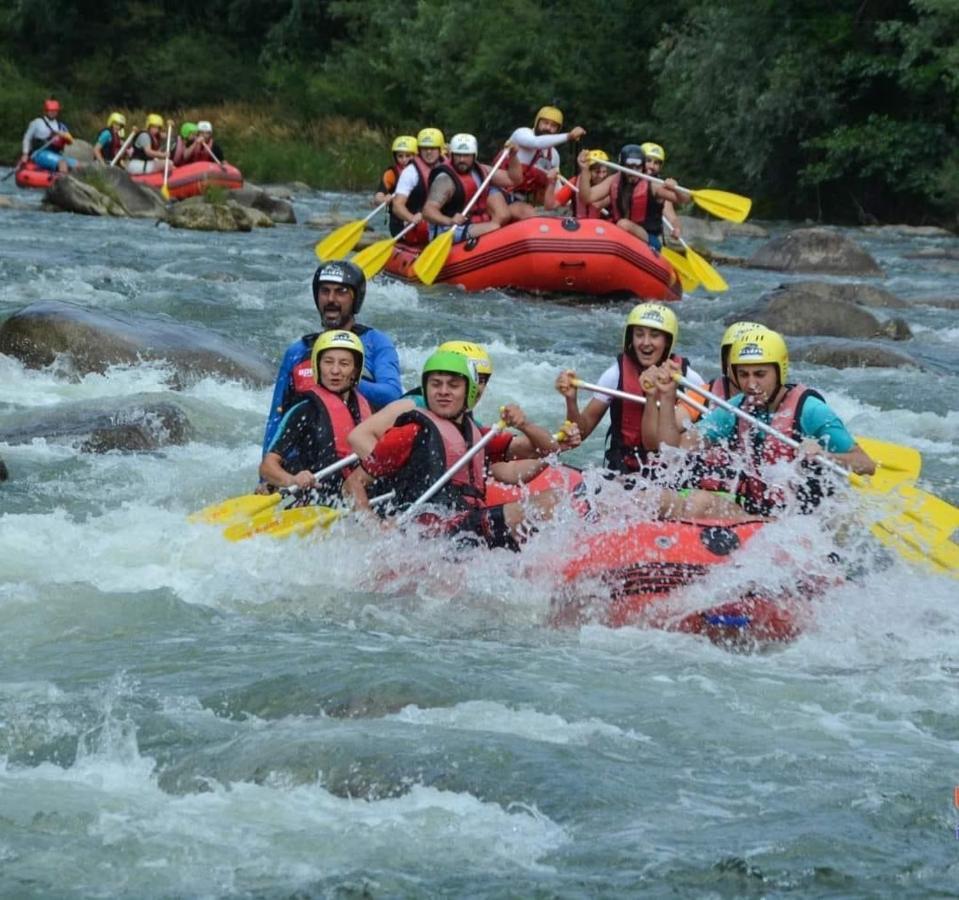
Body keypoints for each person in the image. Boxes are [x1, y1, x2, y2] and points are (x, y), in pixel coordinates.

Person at [643, 328, 876, 516]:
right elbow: (674, 449)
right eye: (744, 375)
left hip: (800, 519)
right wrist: (664, 395)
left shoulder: (811, 410)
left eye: (760, 374)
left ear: (779, 372)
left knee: (698, 503)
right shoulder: (735, 408)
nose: (751, 384)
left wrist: (825, 456)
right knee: (659, 499)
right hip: (755, 514)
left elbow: (866, 464)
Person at [344, 350, 562, 549]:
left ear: (469, 390)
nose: (443, 392)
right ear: (425, 389)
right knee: (545, 503)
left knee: (555, 499)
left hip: (467, 524)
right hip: (430, 531)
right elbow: (353, 483)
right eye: (436, 384)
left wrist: (524, 425)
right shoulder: (410, 432)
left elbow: (548, 450)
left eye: (453, 385)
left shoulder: (476, 435)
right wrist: (373, 526)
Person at [262, 260, 402, 453]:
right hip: (305, 464)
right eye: (325, 291)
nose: (331, 299)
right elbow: (276, 417)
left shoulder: (376, 342)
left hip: (356, 456)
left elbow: (392, 395)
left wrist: (347, 381)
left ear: (356, 299)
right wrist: (267, 476)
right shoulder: (298, 350)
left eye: (341, 292)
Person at [555, 302, 707, 476]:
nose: (645, 343)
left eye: (655, 336)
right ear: (630, 338)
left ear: (667, 342)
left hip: (672, 475)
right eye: (639, 335)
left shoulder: (690, 379)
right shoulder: (615, 374)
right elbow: (579, 434)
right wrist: (571, 400)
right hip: (623, 472)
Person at [259, 330, 372, 503]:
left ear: (355, 371)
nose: (335, 370)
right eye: (328, 362)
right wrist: (292, 480)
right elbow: (267, 467)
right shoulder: (304, 410)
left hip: (353, 500)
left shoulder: (367, 408)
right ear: (317, 366)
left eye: (344, 363)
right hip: (313, 501)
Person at [577, 145, 684, 248]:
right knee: (616, 224)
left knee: (623, 224)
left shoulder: (654, 186)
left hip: (648, 239)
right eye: (630, 167)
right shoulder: (614, 181)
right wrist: (585, 170)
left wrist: (676, 188)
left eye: (637, 167)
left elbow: (683, 199)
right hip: (620, 235)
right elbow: (587, 198)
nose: (633, 171)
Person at [422, 133, 519, 243]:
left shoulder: (481, 170)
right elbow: (427, 211)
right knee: (493, 227)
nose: (462, 159)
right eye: (458, 155)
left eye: (466, 155)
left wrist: (513, 156)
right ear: (451, 155)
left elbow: (513, 180)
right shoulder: (444, 180)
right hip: (446, 229)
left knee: (501, 220)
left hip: (468, 223)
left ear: (474, 156)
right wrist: (449, 221)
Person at [505, 106, 587, 217]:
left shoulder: (553, 155)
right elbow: (536, 142)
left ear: (557, 130)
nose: (548, 128)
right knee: (530, 214)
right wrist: (569, 136)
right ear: (537, 122)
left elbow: (555, 184)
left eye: (553, 126)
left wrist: (569, 203)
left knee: (546, 214)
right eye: (545, 123)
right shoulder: (521, 134)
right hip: (502, 194)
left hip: (522, 201)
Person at [390, 127, 447, 245]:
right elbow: (397, 205)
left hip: (444, 222)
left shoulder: (450, 167)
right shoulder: (410, 172)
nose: (428, 152)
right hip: (419, 226)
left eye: (432, 148)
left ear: (440, 149)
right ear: (419, 150)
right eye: (424, 148)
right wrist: (411, 218)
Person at [640, 142, 690, 245]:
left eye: (656, 163)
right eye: (648, 160)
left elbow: (673, 217)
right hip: (626, 233)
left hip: (648, 237)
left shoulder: (660, 188)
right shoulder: (627, 179)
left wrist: (677, 228)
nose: (652, 166)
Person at [707, 321, 766, 402]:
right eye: (738, 355)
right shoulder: (702, 395)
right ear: (725, 362)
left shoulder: (783, 400)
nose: (747, 364)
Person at [545, 149, 609, 219]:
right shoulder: (574, 183)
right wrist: (552, 182)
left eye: (604, 172)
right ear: (588, 171)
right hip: (580, 226)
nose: (601, 176)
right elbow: (550, 206)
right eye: (597, 172)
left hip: (604, 226)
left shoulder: (610, 184)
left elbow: (598, 205)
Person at [20, 98, 75, 174]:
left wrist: (64, 135)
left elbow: (70, 141)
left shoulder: (61, 126)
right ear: (45, 111)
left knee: (78, 165)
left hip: (56, 154)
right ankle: (63, 182)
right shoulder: (37, 122)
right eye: (51, 110)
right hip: (40, 153)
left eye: (55, 111)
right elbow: (27, 138)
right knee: (62, 163)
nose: (53, 112)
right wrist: (25, 154)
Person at [375, 135, 417, 207]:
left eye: (408, 156)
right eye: (400, 156)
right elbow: (378, 197)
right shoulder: (391, 174)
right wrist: (383, 199)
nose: (404, 160)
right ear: (395, 157)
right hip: (397, 215)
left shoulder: (424, 172)